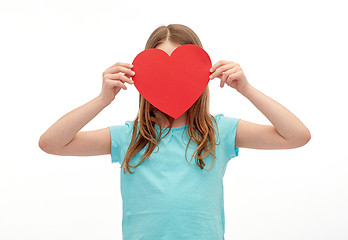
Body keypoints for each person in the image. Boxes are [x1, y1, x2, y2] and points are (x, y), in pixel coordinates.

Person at [39, 24, 311, 240]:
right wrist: (102, 99)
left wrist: (246, 89)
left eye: (181, 69)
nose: (171, 79)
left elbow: (296, 136)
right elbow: (52, 143)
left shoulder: (220, 131)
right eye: (161, 69)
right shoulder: (129, 136)